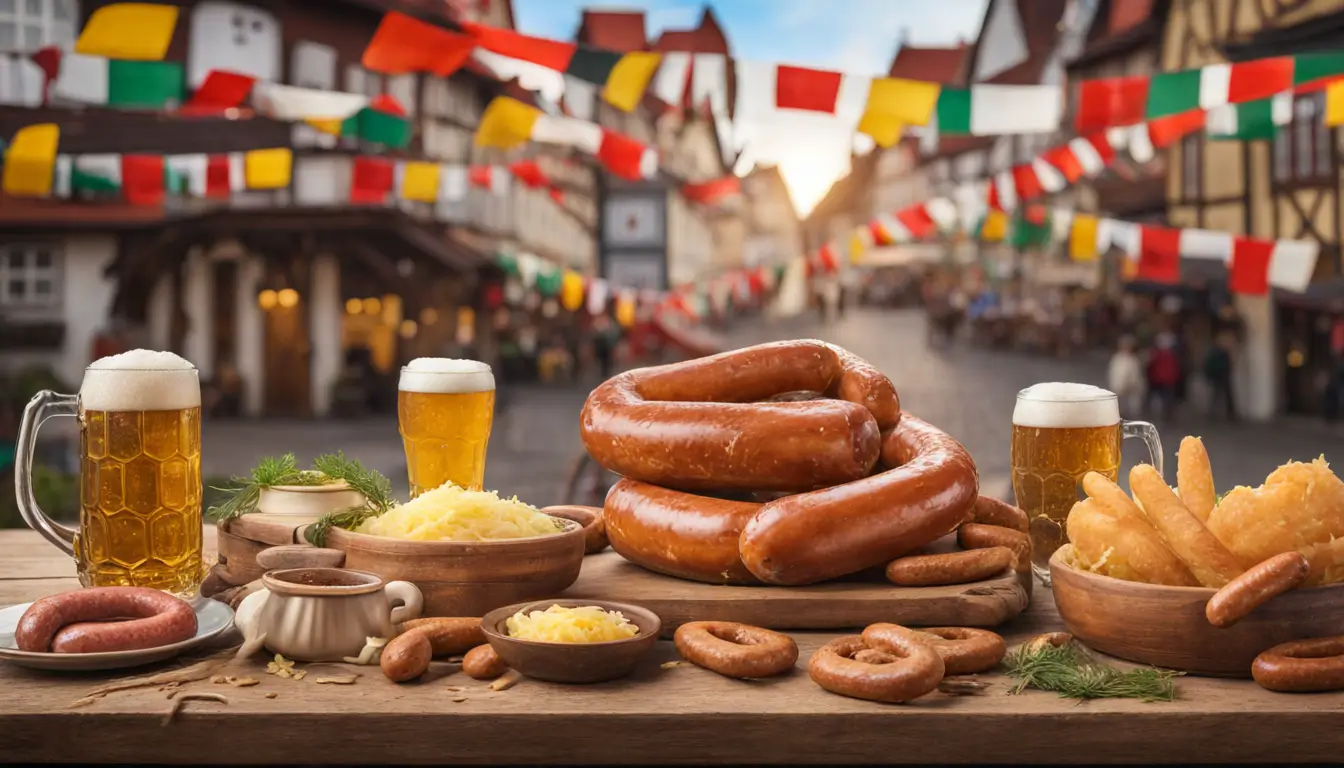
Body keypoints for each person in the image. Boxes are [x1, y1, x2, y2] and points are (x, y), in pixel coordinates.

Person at [1147, 332, 1181, 422]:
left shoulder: (1158, 354)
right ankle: (1167, 416)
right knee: (1167, 400)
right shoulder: (1169, 355)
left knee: (1164, 400)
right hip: (1166, 380)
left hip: (1161, 380)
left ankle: (1165, 416)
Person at [1108, 336, 1145, 418]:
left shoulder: (1133, 360)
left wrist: (1131, 385)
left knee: (1130, 411)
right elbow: (1113, 373)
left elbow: (1136, 376)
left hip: (1130, 391)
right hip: (1118, 390)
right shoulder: (1117, 358)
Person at [1203, 333, 1236, 421]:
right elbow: (1225, 365)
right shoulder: (1221, 353)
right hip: (1221, 376)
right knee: (1222, 396)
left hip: (1218, 376)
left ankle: (1213, 415)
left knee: (1217, 396)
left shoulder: (1214, 352)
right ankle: (1229, 414)